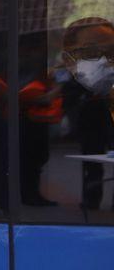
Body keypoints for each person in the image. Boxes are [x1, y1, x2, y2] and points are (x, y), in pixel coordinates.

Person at [61, 17, 114, 210]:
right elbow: (70, 102)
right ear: (68, 59)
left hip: (105, 125)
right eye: (91, 52)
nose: (104, 60)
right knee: (92, 165)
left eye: (111, 52)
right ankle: (91, 201)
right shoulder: (72, 83)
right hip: (91, 125)